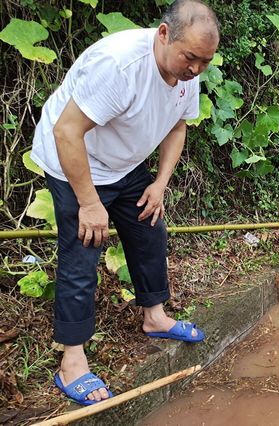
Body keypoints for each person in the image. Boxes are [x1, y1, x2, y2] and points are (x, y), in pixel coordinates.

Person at [29, 0, 219, 406]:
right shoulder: (119, 66)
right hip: (73, 159)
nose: (196, 69)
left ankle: (154, 317)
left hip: (123, 163)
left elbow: (178, 125)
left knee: (150, 228)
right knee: (83, 249)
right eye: (190, 58)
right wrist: (89, 202)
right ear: (164, 34)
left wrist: (160, 184)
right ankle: (73, 361)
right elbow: (66, 131)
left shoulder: (188, 70)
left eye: (205, 62)